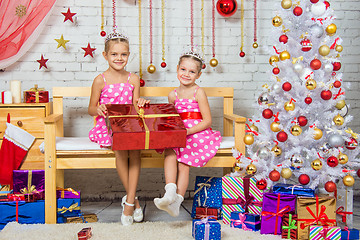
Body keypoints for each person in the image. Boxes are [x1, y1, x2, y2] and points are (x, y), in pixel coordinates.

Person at [88, 32, 149, 226]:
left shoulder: (133, 79)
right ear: (105, 55)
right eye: (114, 54)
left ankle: (129, 201)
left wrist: (141, 102)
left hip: (129, 123)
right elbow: (90, 108)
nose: (119, 58)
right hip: (108, 125)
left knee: (136, 152)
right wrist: (98, 109)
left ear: (128, 55)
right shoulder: (100, 80)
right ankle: (133, 201)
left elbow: (135, 107)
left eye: (123, 55)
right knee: (121, 151)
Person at [154, 49, 222, 217]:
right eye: (183, 69)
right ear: (177, 69)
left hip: (197, 133)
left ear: (198, 75)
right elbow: (170, 118)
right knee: (170, 151)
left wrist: (188, 131)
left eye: (192, 71)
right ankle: (170, 192)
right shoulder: (172, 95)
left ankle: (177, 201)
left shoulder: (198, 92)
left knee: (183, 162)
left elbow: (207, 121)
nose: (186, 74)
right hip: (179, 133)